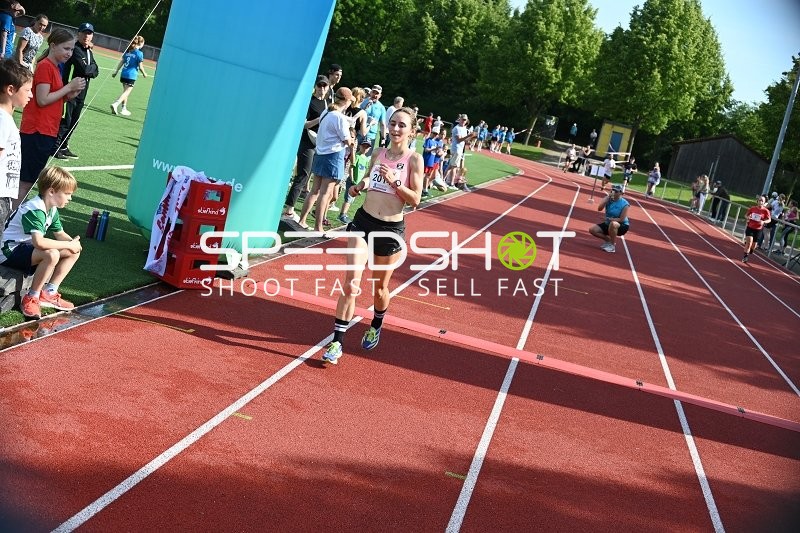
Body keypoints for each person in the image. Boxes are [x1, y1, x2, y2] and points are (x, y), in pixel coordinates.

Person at [321, 106, 423, 364]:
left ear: (411, 131)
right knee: (351, 283)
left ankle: (376, 324)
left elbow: (416, 200)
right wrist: (359, 186)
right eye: (393, 123)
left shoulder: (414, 160)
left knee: (380, 288)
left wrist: (395, 182)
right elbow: (369, 179)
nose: (396, 128)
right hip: (363, 221)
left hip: (389, 230)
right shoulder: (379, 152)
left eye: (402, 125)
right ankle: (337, 343)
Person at [0, 166, 82, 319]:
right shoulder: (35, 209)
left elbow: (60, 234)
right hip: (8, 252)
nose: (70, 198)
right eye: (67, 194)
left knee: (73, 251)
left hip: (24, 248)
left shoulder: (51, 209)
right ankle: (31, 297)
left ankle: (49, 293)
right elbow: (39, 243)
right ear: (51, 191)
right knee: (51, 254)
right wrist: (68, 244)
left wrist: (73, 243)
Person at [19, 28, 86, 199]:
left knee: (30, 180)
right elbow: (42, 100)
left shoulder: (56, 67)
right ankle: (8, 220)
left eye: (72, 49)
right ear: (53, 45)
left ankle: (11, 218)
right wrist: (68, 87)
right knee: (26, 181)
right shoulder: (46, 67)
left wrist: (69, 95)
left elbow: (52, 99)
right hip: (37, 131)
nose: (69, 53)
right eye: (66, 48)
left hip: (46, 130)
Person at [297, 86, 355, 232]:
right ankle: (318, 227)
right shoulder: (339, 117)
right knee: (325, 193)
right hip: (333, 156)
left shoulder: (327, 111)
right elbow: (347, 140)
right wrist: (352, 141)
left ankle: (302, 220)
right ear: (347, 101)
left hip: (321, 154)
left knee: (314, 190)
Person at [281, 75, 329, 221]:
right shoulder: (310, 102)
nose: (322, 89)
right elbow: (303, 124)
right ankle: (288, 210)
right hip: (306, 141)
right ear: (315, 86)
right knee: (302, 174)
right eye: (319, 85)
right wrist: (320, 119)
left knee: (308, 176)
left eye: (324, 86)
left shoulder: (327, 102)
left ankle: (290, 208)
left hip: (319, 143)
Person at [54, 22, 99, 160]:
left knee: (74, 120)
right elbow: (86, 69)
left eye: (89, 33)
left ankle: (64, 146)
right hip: (70, 89)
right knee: (66, 120)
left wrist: (92, 68)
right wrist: (92, 68)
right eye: (84, 32)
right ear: (78, 34)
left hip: (82, 91)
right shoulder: (76, 49)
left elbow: (96, 70)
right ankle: (55, 147)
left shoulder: (88, 50)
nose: (86, 35)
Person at [0, 58, 32, 230]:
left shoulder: (6, 119)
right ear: (10, 89)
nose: (31, 95)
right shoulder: (2, 120)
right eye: (27, 90)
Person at [110, 35, 147, 116]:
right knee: (127, 92)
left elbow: (122, 62)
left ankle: (124, 109)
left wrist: (116, 72)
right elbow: (140, 67)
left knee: (125, 92)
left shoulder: (128, 51)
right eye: (143, 43)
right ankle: (116, 104)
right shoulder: (139, 53)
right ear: (140, 43)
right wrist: (144, 73)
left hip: (123, 74)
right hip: (131, 75)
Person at [589, 184, 630, 254]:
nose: (613, 193)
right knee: (592, 230)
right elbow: (599, 209)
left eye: (616, 191)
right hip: (609, 222)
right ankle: (608, 240)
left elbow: (621, 219)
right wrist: (605, 201)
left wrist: (609, 219)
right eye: (612, 190)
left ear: (621, 193)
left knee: (613, 224)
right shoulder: (608, 199)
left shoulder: (625, 204)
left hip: (622, 225)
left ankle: (612, 246)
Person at [339, 139, 370, 223]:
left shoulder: (366, 159)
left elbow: (365, 171)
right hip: (352, 181)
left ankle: (345, 214)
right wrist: (352, 179)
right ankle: (342, 215)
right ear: (360, 146)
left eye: (367, 147)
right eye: (364, 146)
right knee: (348, 199)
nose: (365, 148)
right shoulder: (357, 156)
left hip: (358, 183)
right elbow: (351, 168)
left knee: (352, 199)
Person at [742, 195, 771, 263]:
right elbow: (746, 215)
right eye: (759, 200)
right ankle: (745, 257)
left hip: (758, 229)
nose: (760, 201)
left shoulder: (766, 211)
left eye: (762, 201)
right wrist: (748, 217)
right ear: (757, 201)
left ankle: (751, 249)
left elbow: (769, 220)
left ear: (764, 203)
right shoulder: (752, 208)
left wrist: (763, 221)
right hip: (750, 227)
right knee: (749, 242)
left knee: (754, 245)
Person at [360, 84, 386, 154]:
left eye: (377, 93)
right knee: (354, 156)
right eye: (373, 92)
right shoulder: (362, 102)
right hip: (360, 133)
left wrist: (383, 138)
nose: (374, 95)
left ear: (380, 95)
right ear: (370, 92)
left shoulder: (381, 108)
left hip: (371, 136)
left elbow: (382, 124)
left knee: (366, 158)